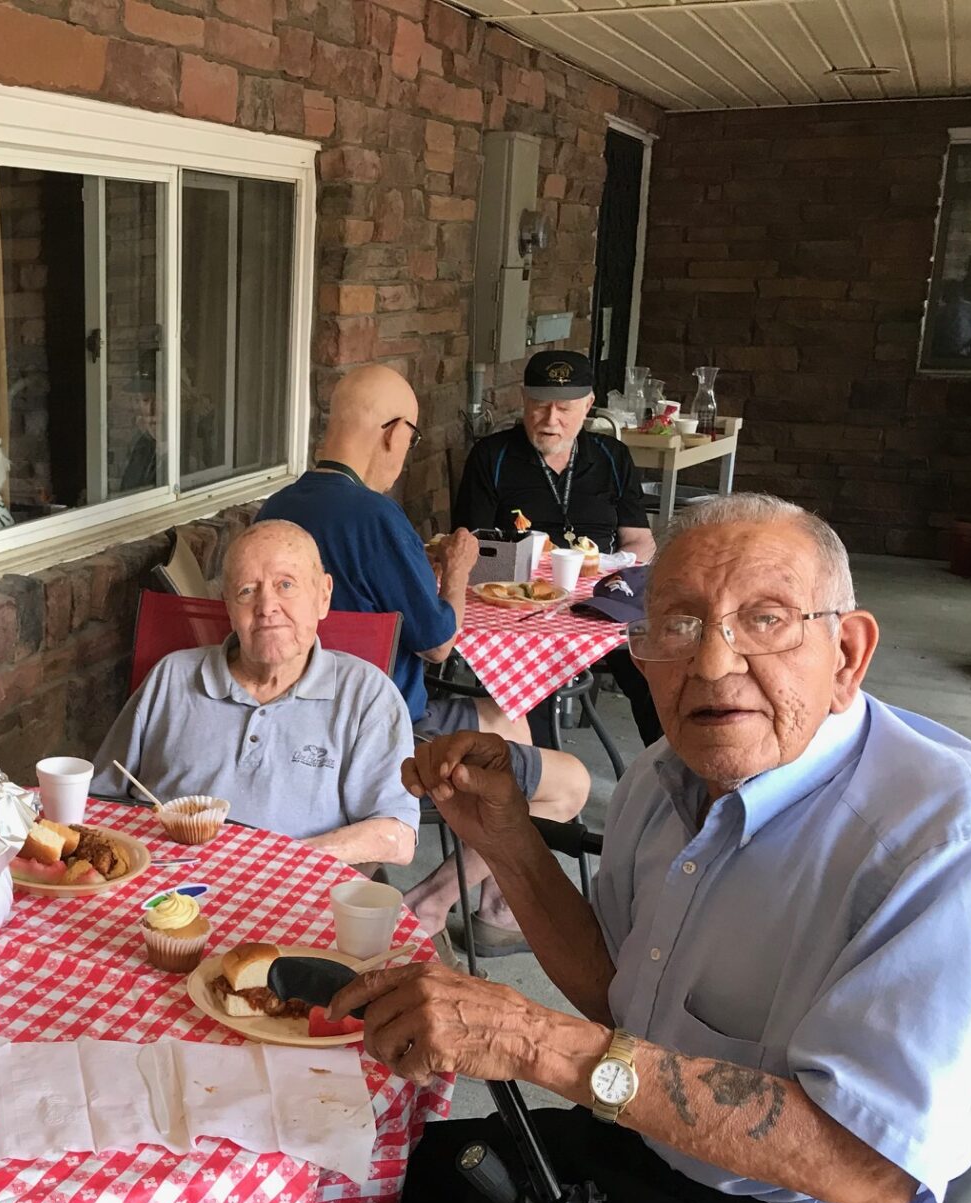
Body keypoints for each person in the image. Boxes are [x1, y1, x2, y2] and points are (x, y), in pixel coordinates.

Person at [267, 494, 971, 1203]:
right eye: (677, 624)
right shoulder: (666, 776)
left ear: (847, 653)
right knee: (332, 1194)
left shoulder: (953, 827)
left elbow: (871, 1164)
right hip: (645, 1161)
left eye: (765, 620)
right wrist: (512, 844)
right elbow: (617, 994)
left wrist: (541, 1045)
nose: (713, 663)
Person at [260, 364, 591, 951]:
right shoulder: (376, 515)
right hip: (386, 731)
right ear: (393, 434)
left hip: (291, 721)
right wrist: (457, 573)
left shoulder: (275, 511)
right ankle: (434, 903)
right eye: (409, 441)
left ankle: (488, 901)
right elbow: (439, 642)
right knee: (570, 785)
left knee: (505, 717)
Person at [91, 519, 420, 867]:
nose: (267, 607)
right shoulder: (172, 677)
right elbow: (99, 800)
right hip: (161, 891)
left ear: (323, 596)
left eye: (286, 585)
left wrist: (275, 863)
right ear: (228, 606)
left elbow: (396, 835)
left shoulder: (366, 695)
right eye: (247, 590)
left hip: (293, 895)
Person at [453, 348, 663, 746]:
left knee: (655, 666)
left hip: (604, 603)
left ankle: (672, 775)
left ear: (588, 405)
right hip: (522, 606)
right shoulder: (492, 456)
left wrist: (616, 572)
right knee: (529, 679)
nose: (551, 420)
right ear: (523, 400)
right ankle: (543, 778)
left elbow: (639, 539)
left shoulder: (612, 457)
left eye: (565, 408)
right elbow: (471, 544)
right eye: (540, 405)